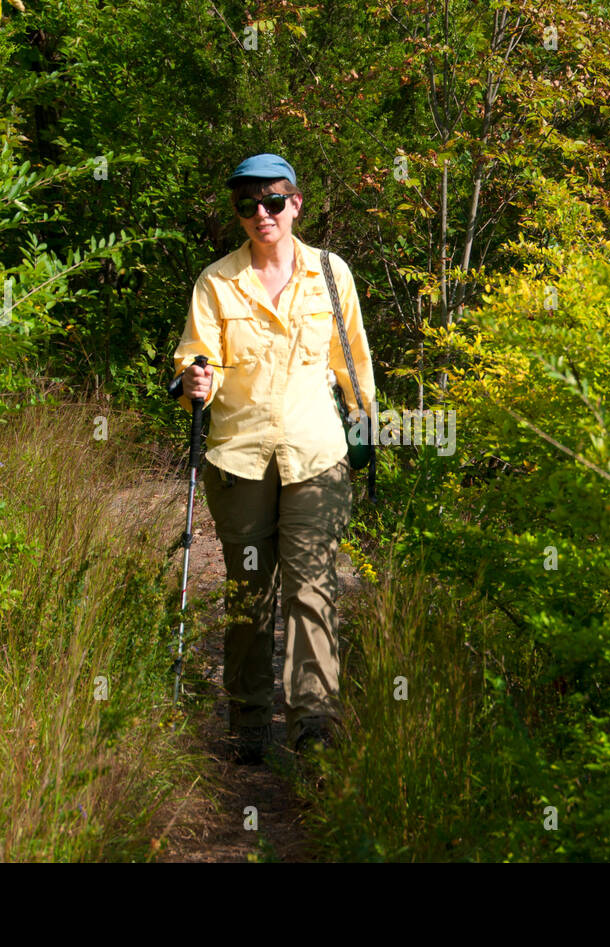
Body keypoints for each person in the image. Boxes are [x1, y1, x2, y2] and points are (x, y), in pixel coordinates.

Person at [172, 153, 375, 765]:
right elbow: (192, 360)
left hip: (317, 455)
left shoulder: (332, 274)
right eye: (247, 205)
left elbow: (354, 360)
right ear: (237, 213)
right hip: (239, 460)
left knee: (312, 587)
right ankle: (250, 723)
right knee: (248, 591)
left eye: (273, 201)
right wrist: (192, 383)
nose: (261, 214)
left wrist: (367, 426)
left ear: (296, 203)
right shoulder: (215, 282)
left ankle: (313, 724)